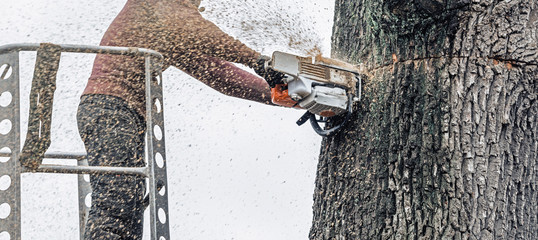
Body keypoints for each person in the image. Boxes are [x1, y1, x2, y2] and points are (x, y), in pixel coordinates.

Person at [76, 0, 282, 239]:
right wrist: (255, 59)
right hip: (109, 110)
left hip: (120, 115)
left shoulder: (171, 31)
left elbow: (221, 75)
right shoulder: (155, 6)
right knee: (116, 201)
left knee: (130, 205)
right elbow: (197, 30)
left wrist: (283, 95)